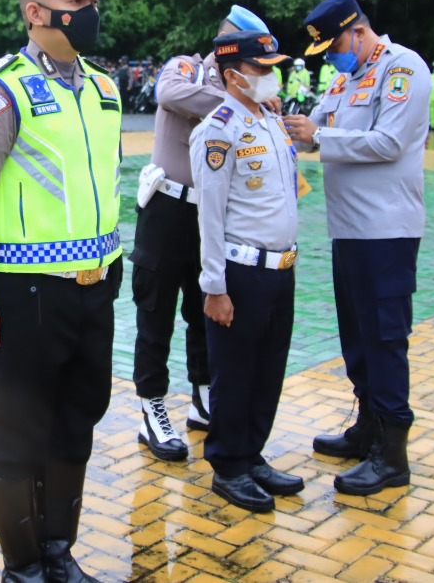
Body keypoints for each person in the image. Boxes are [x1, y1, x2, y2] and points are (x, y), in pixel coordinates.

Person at [0, 0, 120, 583]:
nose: (86, 10)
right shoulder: (3, 91)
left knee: (78, 418)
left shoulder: (104, 91)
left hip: (94, 288)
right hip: (25, 294)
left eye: (90, 0)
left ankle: (57, 549)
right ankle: (21, 566)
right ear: (35, 12)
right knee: (18, 432)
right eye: (72, 1)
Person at [283, 0, 428, 496]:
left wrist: (319, 139)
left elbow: (389, 143)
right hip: (349, 230)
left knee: (386, 339)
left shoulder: (402, 69)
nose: (332, 59)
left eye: (335, 47)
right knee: (357, 337)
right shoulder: (348, 78)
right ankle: (368, 427)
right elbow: (315, 124)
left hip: (387, 232)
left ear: (358, 32)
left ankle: (392, 455)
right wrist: (288, 127)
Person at [131, 4, 265, 462]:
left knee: (204, 307)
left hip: (210, 214)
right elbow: (168, 93)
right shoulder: (187, 68)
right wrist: (239, 103)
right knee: (156, 311)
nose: (256, 72)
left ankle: (204, 398)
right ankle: (152, 408)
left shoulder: (250, 101)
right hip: (166, 208)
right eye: (249, 59)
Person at [189, 27, 302, 513]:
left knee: (267, 370)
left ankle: (251, 453)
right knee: (234, 374)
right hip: (240, 272)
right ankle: (228, 466)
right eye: (262, 69)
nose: (271, 76)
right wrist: (214, 287)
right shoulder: (218, 129)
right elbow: (209, 215)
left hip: (281, 269)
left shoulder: (269, 121)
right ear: (234, 75)